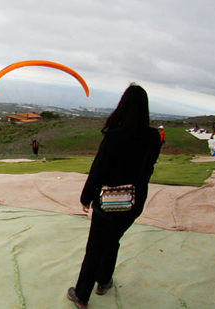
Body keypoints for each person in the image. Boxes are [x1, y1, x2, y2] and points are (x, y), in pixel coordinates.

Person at [67, 84, 162, 309]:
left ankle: (81, 295)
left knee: (95, 247)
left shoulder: (115, 135)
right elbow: (148, 169)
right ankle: (103, 281)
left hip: (108, 201)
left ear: (123, 105)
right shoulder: (153, 137)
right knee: (112, 240)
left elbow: (98, 169)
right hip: (134, 201)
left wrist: (86, 197)